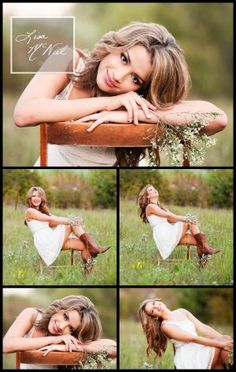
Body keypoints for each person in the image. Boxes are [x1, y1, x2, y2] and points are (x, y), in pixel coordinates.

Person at [13, 22, 227, 166]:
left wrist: (134, 115)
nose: (118, 76)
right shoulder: (69, 60)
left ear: (143, 89)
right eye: (124, 58)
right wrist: (108, 103)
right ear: (116, 45)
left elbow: (217, 119)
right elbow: (24, 114)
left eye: (136, 79)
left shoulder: (138, 102)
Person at [3, 295, 117, 369]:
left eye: (71, 328)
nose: (61, 326)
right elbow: (6, 345)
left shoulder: (69, 341)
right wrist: (54, 339)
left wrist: (77, 346)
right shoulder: (32, 315)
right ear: (59, 308)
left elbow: (114, 349)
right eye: (65, 316)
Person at [25, 186, 110, 272]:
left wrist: (73, 220)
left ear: (42, 198)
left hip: (53, 239)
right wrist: (70, 220)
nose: (36, 198)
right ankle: (95, 248)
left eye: (39, 196)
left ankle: (87, 274)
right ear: (29, 198)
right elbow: (50, 219)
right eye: (34, 196)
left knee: (85, 245)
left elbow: (55, 219)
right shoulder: (30, 211)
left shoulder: (43, 212)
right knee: (71, 225)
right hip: (46, 242)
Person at [138, 298, 233, 369]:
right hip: (189, 356)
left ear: (158, 300)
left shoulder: (182, 311)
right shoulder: (166, 326)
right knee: (223, 345)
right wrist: (222, 343)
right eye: (152, 310)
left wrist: (224, 338)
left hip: (198, 348)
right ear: (154, 317)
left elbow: (202, 327)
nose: (155, 306)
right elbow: (193, 339)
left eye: (153, 303)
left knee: (225, 343)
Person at [137, 184, 220, 260]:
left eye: (154, 188)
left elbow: (172, 219)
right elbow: (169, 216)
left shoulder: (162, 208)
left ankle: (202, 265)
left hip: (170, 232)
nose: (154, 190)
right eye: (151, 190)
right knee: (189, 224)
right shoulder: (150, 207)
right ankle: (205, 250)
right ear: (147, 196)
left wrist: (187, 218)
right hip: (164, 235)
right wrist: (186, 219)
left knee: (200, 239)